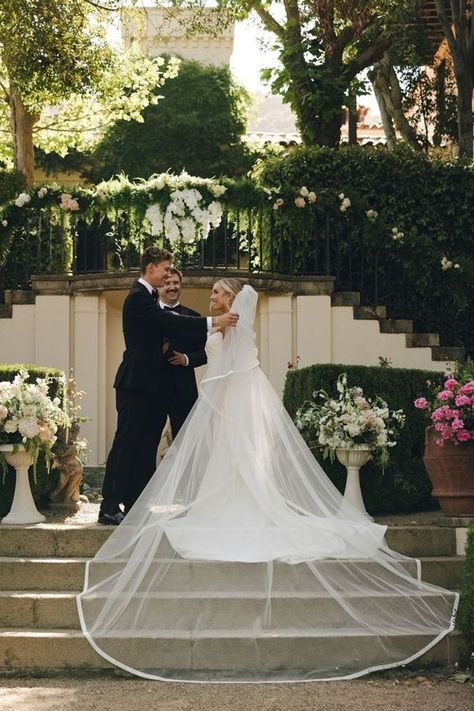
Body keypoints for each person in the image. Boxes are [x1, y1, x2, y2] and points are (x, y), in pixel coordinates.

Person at [80, 279, 458, 682]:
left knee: (239, 463)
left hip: (234, 401)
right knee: (221, 466)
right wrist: (191, 358)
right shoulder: (214, 324)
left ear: (229, 299)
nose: (210, 300)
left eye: (216, 295)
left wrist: (212, 351)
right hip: (221, 401)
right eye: (211, 296)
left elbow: (232, 360)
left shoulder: (235, 325)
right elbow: (205, 351)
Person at [98, 249, 238, 525]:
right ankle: (109, 505)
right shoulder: (139, 297)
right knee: (127, 444)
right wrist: (214, 322)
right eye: (165, 269)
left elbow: (163, 328)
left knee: (138, 445)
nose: (167, 275)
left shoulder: (146, 296)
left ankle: (135, 504)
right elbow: (168, 321)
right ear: (151, 268)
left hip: (148, 386)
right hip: (135, 383)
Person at [158, 268, 207, 438]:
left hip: (183, 389)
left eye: (176, 283)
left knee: (185, 440)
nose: (172, 287)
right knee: (147, 441)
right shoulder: (148, 314)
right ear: (159, 286)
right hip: (153, 388)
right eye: (167, 283)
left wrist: (187, 359)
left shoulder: (194, 317)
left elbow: (206, 352)